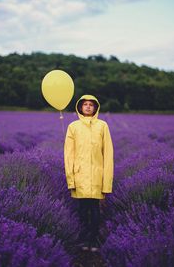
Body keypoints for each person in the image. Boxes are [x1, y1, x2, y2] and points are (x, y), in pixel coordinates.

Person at [64, 95, 114, 252]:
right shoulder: (73, 126)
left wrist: (107, 183)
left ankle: (94, 241)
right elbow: (68, 155)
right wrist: (70, 180)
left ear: (95, 107)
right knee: (82, 210)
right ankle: (83, 240)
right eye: (84, 104)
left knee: (95, 210)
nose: (87, 107)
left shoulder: (102, 126)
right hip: (80, 176)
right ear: (80, 107)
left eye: (91, 105)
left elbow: (108, 155)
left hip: (97, 176)